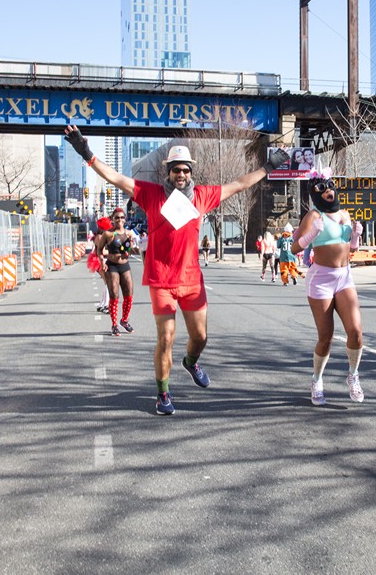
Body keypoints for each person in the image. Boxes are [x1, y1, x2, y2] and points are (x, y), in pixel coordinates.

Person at [64, 125, 291, 415]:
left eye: (185, 169)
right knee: (166, 337)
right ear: (167, 172)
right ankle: (163, 394)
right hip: (161, 280)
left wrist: (267, 167)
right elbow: (117, 177)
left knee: (200, 338)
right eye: (175, 170)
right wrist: (87, 153)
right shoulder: (150, 194)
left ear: (190, 172)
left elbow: (239, 184)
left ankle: (191, 362)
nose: (180, 174)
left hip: (192, 281)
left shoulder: (202, 196)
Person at [291, 167, 365, 406]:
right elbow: (294, 249)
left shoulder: (344, 213)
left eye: (331, 186)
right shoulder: (313, 217)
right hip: (320, 279)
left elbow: (351, 249)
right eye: (322, 189)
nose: (329, 191)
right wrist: (311, 235)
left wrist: (355, 236)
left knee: (356, 332)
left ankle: (353, 376)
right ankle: (317, 379)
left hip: (344, 277)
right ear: (315, 194)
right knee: (326, 337)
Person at [95, 207, 137, 336]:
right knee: (114, 295)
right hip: (112, 266)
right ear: (112, 219)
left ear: (125, 219)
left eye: (122, 217)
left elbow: (132, 250)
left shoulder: (129, 233)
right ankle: (114, 325)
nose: (119, 220)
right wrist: (102, 261)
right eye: (117, 217)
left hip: (125, 266)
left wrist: (132, 248)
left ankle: (124, 321)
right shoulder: (108, 234)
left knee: (129, 294)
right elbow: (99, 250)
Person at [89, 217, 111, 313]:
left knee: (107, 283)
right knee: (108, 284)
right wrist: (112, 251)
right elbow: (102, 251)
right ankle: (106, 305)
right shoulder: (99, 237)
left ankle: (102, 304)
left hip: (100, 260)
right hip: (101, 261)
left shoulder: (100, 236)